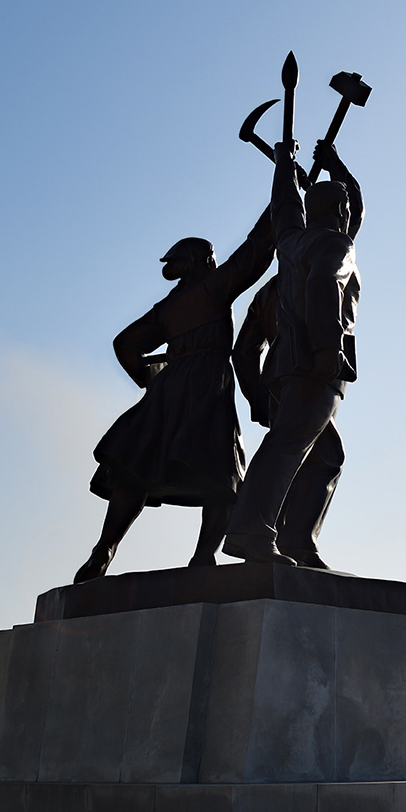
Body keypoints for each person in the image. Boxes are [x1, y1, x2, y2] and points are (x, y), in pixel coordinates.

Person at [74, 207, 274, 581]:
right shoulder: (214, 288)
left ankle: (104, 550)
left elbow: (125, 345)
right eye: (211, 258)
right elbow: (258, 247)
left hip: (167, 390)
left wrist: (153, 377)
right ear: (202, 261)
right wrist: (282, 196)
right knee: (223, 477)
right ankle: (203, 558)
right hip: (206, 387)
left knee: (136, 470)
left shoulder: (167, 308)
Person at [222, 137, 361, 566]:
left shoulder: (290, 242)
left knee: (325, 456)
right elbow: (324, 284)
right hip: (316, 363)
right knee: (287, 445)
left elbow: (283, 202)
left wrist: (284, 162)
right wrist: (327, 347)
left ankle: (298, 539)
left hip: (283, 369)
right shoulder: (336, 246)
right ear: (340, 214)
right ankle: (251, 531)